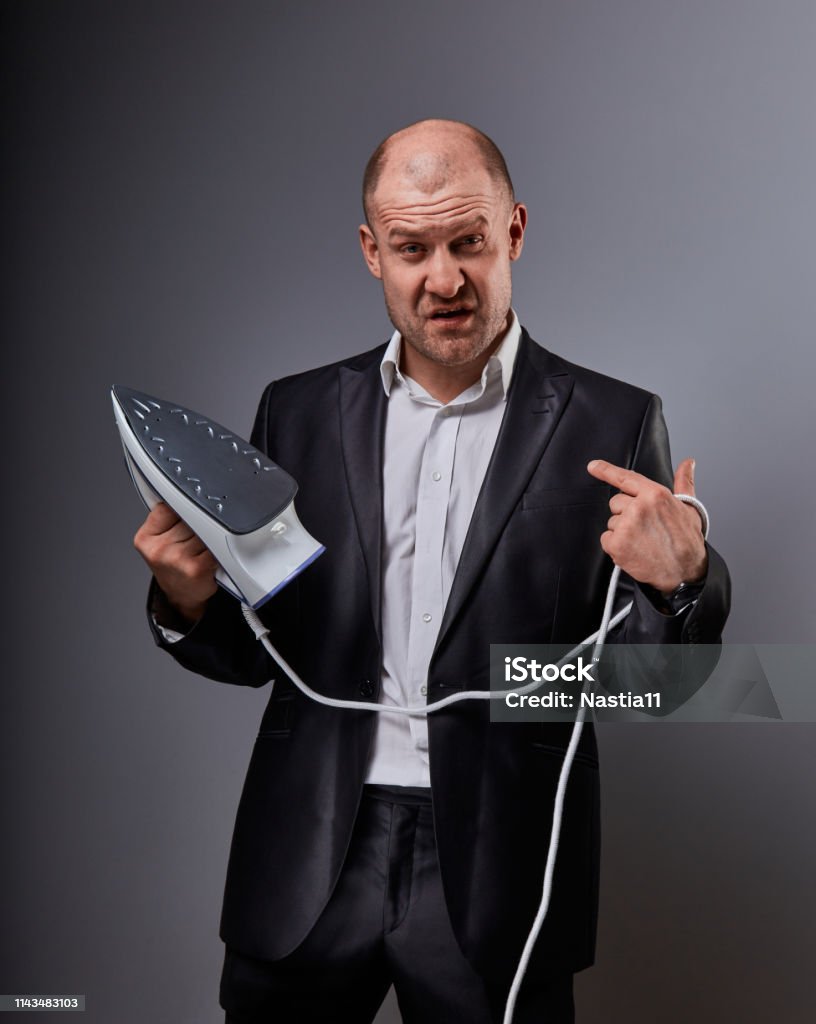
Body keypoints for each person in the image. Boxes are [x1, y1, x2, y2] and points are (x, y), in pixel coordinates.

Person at [134, 119, 730, 1024]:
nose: (443, 280)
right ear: (373, 252)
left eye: (469, 243)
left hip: (500, 864)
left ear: (515, 232)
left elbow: (652, 683)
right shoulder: (294, 413)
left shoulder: (612, 419)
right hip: (307, 855)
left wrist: (679, 583)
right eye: (412, 248)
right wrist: (186, 596)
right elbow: (265, 656)